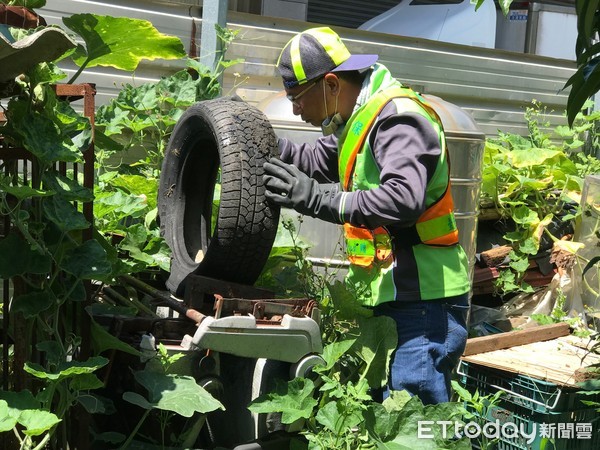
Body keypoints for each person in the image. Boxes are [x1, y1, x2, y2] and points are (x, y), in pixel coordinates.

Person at [262, 26, 471, 405]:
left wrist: (316, 199)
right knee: (387, 417)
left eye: (296, 98)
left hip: (423, 301)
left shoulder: (399, 118)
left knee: (411, 424)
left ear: (330, 84)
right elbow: (313, 160)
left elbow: (402, 200)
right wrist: (255, 138)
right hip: (396, 299)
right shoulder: (360, 120)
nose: (295, 109)